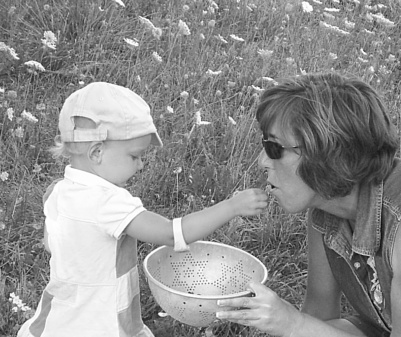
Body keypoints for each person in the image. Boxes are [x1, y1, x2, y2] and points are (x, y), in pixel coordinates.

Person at [18, 82, 268, 337]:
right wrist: (232, 206)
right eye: (134, 156)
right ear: (97, 152)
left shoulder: (57, 191)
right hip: (100, 322)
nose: (140, 165)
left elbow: (52, 245)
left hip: (62, 316)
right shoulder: (109, 203)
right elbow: (172, 234)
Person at [216, 72, 401, 337]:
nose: (262, 161)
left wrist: (292, 323)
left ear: (327, 153)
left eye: (274, 148)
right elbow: (319, 314)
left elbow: (303, 326)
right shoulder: (326, 209)